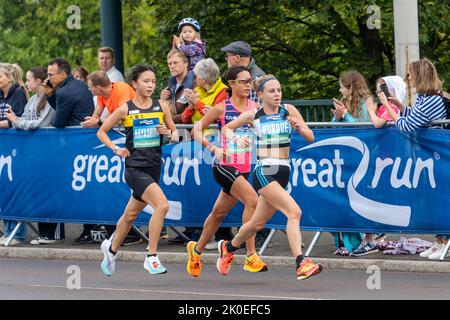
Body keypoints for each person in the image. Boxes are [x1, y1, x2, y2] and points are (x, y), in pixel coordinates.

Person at [217, 75, 322, 280]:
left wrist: (298, 126)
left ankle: (228, 248)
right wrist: (237, 138)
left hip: (283, 172)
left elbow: (310, 136)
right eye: (272, 91)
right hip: (264, 171)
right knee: (294, 212)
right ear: (261, 94)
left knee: (256, 224)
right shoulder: (253, 115)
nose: (277, 94)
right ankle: (301, 262)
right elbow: (226, 128)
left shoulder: (288, 110)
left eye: (279, 90)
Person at [97, 64, 178, 276]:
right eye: (146, 81)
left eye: (153, 81)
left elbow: (176, 134)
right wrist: (115, 148)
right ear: (135, 84)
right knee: (162, 206)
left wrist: (167, 133)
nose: (150, 85)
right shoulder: (125, 108)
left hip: (154, 167)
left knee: (130, 215)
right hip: (135, 169)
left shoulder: (162, 106)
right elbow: (102, 132)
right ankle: (151, 256)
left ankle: (111, 249)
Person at [186, 66, 268, 277]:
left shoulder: (256, 107)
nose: (248, 85)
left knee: (219, 213)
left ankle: (196, 250)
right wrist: (213, 148)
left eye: (250, 81)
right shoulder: (222, 108)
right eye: (244, 81)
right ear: (231, 84)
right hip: (223, 166)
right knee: (253, 201)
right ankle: (250, 255)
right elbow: (195, 130)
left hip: (245, 167)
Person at [380, 59, 448, 260]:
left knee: (439, 198)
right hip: (427, 156)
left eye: (411, 74)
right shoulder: (423, 98)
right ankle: (439, 241)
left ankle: (445, 241)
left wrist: (387, 107)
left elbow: (406, 126)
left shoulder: (433, 99)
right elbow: (413, 117)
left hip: (438, 156)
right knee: (431, 198)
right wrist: (399, 105)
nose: (408, 78)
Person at [4, 67, 64, 244]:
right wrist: (17, 121)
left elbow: (42, 123)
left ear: (38, 81)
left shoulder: (51, 100)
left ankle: (54, 233)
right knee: (39, 190)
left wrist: (18, 122)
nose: (26, 83)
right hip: (35, 153)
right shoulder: (32, 100)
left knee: (51, 190)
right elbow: (21, 119)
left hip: (51, 151)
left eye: (29, 80)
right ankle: (44, 232)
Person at [330, 70, 375, 255]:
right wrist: (337, 116)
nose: (340, 88)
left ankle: (370, 238)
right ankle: (347, 240)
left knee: (363, 198)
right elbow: (332, 128)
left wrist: (346, 114)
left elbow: (363, 127)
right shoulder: (344, 102)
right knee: (344, 198)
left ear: (352, 86)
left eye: (342, 85)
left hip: (363, 156)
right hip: (344, 155)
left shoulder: (367, 102)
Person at [0, 63, 29, 245]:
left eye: (0, 76)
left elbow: (17, 121)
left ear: (9, 77)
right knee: (3, 188)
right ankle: (7, 230)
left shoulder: (18, 92)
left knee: (14, 188)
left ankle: (17, 233)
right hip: (2, 148)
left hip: (16, 148)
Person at [45, 58, 94, 128]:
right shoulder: (82, 84)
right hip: (85, 132)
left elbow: (58, 123)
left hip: (76, 134)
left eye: (50, 75)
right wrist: (50, 94)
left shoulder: (63, 91)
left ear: (62, 74)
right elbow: (61, 110)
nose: (48, 78)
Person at [182, 58, 228, 124]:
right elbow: (184, 121)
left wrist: (196, 102)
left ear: (204, 79)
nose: (194, 79)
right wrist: (190, 107)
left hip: (213, 133)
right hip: (196, 132)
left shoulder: (223, 92)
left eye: (196, 76)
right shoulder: (197, 90)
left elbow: (216, 119)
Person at [160, 49, 196, 124]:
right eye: (170, 64)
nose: (172, 66)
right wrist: (163, 100)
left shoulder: (194, 84)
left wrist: (168, 119)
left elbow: (193, 112)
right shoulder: (170, 86)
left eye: (175, 63)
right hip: (173, 130)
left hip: (188, 130)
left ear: (186, 63)